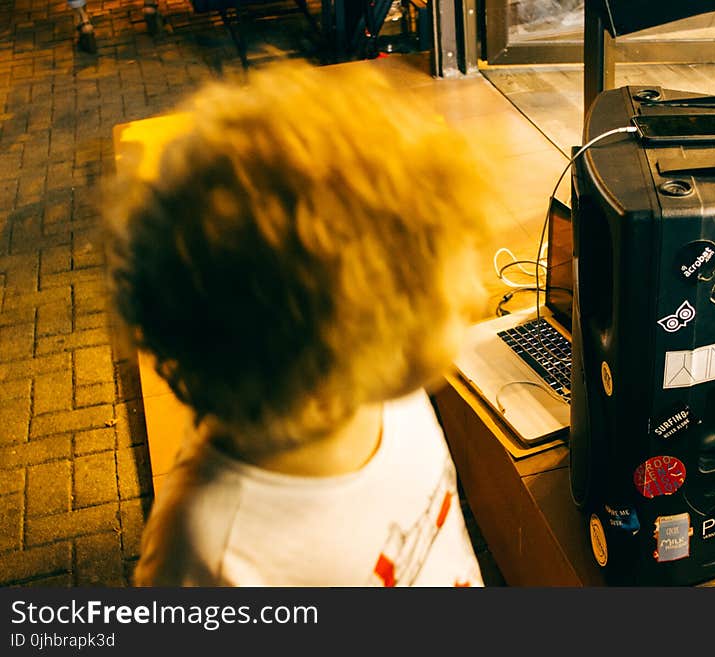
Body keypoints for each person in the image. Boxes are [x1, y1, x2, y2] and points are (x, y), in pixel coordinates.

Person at [105, 61, 497, 586]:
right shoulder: (210, 560)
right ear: (337, 353)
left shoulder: (378, 390)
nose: (476, 296)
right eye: (444, 297)